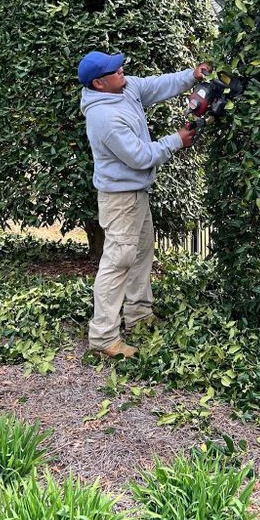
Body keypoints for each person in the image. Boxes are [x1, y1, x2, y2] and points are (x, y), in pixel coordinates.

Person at [78, 50, 210, 357]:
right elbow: (139, 157)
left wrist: (192, 76)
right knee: (117, 262)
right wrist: (176, 140)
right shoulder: (104, 118)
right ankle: (103, 338)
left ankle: (139, 316)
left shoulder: (125, 87)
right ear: (99, 83)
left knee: (140, 253)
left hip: (136, 193)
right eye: (114, 70)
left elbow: (157, 85)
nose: (121, 70)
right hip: (120, 199)